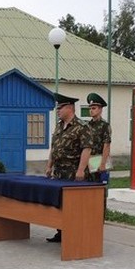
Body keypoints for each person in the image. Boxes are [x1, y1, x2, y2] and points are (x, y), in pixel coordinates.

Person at [44, 96, 92, 242]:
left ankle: (74, 234)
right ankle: (61, 231)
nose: (58, 111)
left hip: (73, 172)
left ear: (70, 108)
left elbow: (86, 149)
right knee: (60, 204)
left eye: (60, 108)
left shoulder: (82, 126)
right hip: (59, 172)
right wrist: (49, 166)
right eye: (57, 108)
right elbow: (54, 147)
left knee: (74, 206)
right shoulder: (59, 126)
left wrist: (81, 170)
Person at [85, 92, 112, 211]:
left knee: (99, 188)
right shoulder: (87, 125)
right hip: (88, 160)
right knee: (87, 187)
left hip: (99, 159)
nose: (91, 110)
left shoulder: (105, 125)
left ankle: (100, 214)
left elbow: (106, 145)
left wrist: (102, 164)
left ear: (100, 109)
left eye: (94, 108)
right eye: (90, 108)